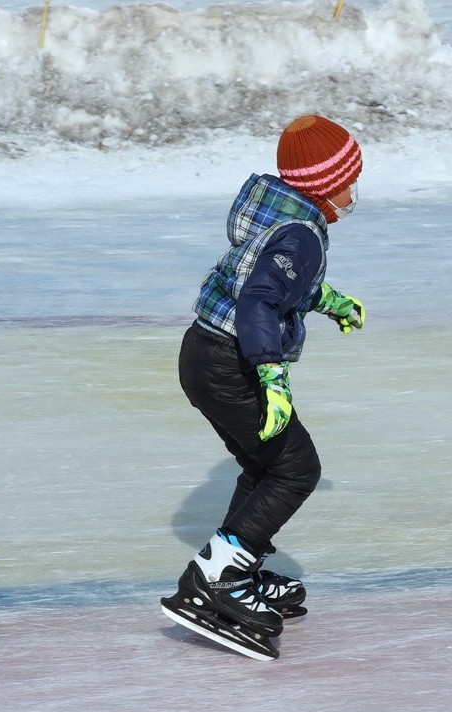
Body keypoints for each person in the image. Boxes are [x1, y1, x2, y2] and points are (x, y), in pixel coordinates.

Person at [160, 115, 366, 661]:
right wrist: (272, 376)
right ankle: (213, 582)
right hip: (232, 363)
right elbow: (258, 301)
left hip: (205, 354)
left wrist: (331, 302)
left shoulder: (282, 216)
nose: (354, 195)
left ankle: (235, 568)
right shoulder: (298, 233)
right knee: (296, 469)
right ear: (326, 185)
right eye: (349, 182)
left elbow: (271, 282)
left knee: (265, 465)